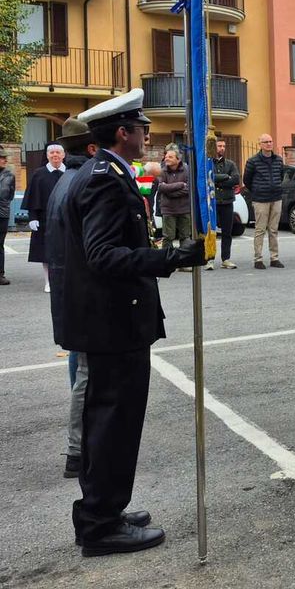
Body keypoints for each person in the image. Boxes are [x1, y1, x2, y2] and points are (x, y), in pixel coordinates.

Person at [62, 88, 204, 556]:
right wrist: (172, 257)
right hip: (113, 323)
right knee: (114, 425)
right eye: (142, 128)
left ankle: (102, 509)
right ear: (122, 133)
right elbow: (103, 255)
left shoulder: (101, 171)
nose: (147, 135)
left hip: (107, 321)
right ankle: (101, 525)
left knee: (106, 422)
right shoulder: (104, 179)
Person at [45, 118, 99, 479]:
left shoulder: (64, 181)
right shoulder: (83, 182)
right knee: (86, 373)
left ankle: (82, 445)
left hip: (67, 287)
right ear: (91, 148)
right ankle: (78, 450)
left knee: (79, 365)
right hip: (80, 290)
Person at [22, 142, 66, 292]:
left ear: (63, 155)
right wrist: (32, 217)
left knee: (67, 250)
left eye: (58, 152)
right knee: (46, 252)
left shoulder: (70, 173)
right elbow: (32, 197)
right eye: (52, 153)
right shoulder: (39, 174)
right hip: (45, 220)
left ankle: (66, 281)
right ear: (47, 156)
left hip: (66, 219)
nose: (55, 155)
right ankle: (48, 282)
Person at [243, 134, 285, 269]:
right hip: (260, 199)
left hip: (276, 198)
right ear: (260, 144)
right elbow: (246, 180)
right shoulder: (252, 161)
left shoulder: (278, 160)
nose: (269, 144)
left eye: (270, 141)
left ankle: (274, 258)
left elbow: (281, 176)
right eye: (266, 142)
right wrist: (257, 190)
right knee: (260, 229)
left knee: (274, 230)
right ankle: (258, 259)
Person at [156, 148, 191, 260]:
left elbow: (189, 188)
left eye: (170, 157)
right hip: (168, 209)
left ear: (178, 159)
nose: (166, 159)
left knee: (185, 237)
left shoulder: (187, 169)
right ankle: (167, 261)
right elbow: (161, 187)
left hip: (184, 209)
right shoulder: (162, 171)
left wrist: (170, 192)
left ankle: (184, 261)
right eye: (166, 156)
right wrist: (180, 184)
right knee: (168, 237)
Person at [212, 138, 241, 269]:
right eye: (219, 146)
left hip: (227, 201)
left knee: (227, 232)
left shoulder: (230, 164)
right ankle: (209, 259)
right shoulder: (208, 164)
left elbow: (235, 179)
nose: (222, 148)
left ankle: (226, 259)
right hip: (213, 202)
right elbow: (209, 178)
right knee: (210, 231)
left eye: (224, 146)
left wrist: (218, 182)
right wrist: (225, 177)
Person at [0, 146, 14, 286]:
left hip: (2, 214)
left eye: (5, 158)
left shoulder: (9, 175)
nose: (5, 160)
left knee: (0, 245)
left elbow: (10, 195)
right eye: (2, 158)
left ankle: (0, 274)